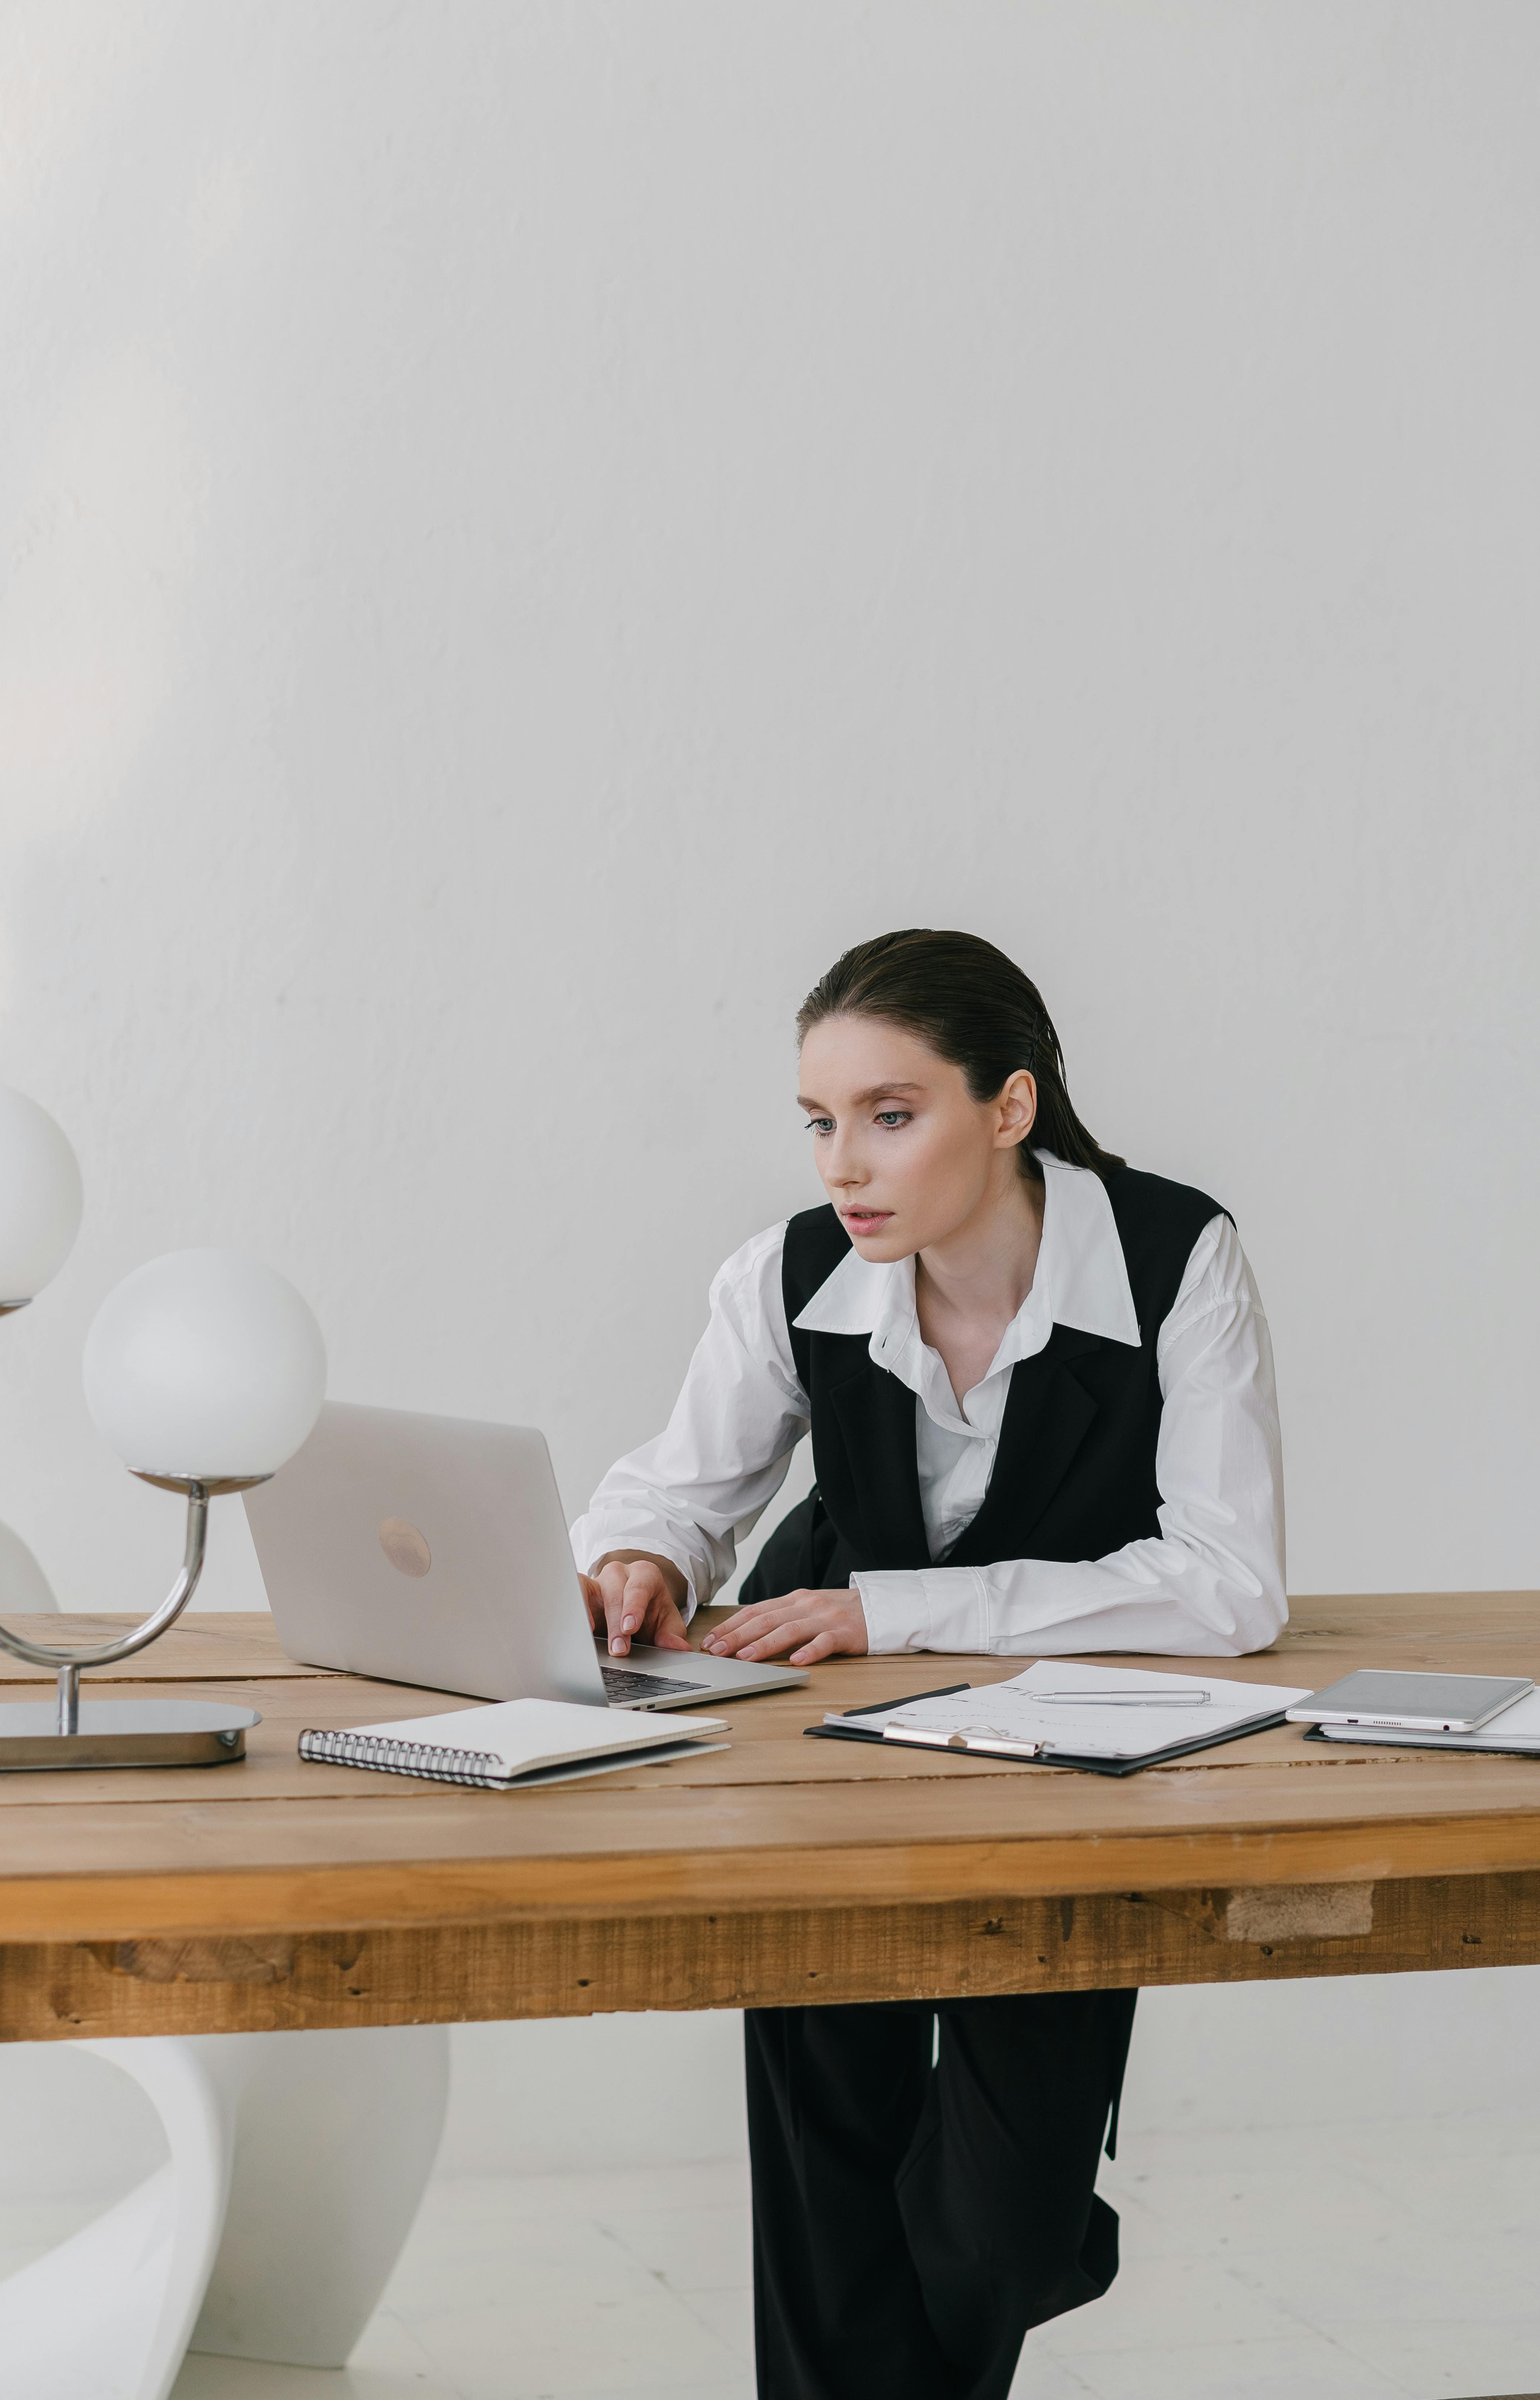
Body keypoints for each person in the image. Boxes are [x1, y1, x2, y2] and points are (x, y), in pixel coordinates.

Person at [571, 928, 1286, 2400]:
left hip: (1067, 1773)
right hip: (820, 1750)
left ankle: (1031, 2250)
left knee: (1010, 2235)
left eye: (891, 1114)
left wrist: (898, 1607)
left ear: (1009, 1106)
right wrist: (643, 1556)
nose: (846, 1162)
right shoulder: (791, 1268)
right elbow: (684, 1484)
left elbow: (1230, 1586)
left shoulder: (1175, 1255)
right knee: (832, 2185)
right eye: (822, 1120)